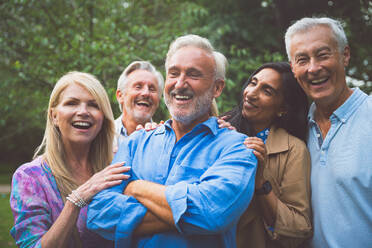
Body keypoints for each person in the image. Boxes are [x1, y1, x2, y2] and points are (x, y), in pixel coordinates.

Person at [87, 34, 257, 247]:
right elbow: (98, 215)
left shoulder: (238, 148)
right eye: (174, 73)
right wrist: (185, 213)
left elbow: (212, 214)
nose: (180, 84)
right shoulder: (136, 143)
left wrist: (137, 187)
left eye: (194, 75)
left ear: (217, 88)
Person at [10, 71, 130, 248]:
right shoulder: (30, 177)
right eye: (71, 103)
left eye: (93, 105)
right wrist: (77, 200)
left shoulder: (114, 168)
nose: (83, 112)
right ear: (54, 116)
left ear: (103, 118)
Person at [285, 17, 372, 247]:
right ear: (293, 68)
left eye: (323, 55)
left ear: (345, 55)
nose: (313, 68)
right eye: (302, 60)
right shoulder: (294, 127)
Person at [223, 62, 312, 247]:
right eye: (253, 83)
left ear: (283, 108)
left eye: (267, 91)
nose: (251, 93)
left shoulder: (294, 150)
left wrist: (261, 183)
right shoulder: (221, 128)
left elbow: (298, 229)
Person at [115, 61, 164, 147]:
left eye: (152, 89)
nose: (146, 93)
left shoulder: (164, 141)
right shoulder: (102, 135)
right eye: (138, 87)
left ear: (158, 100)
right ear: (120, 96)